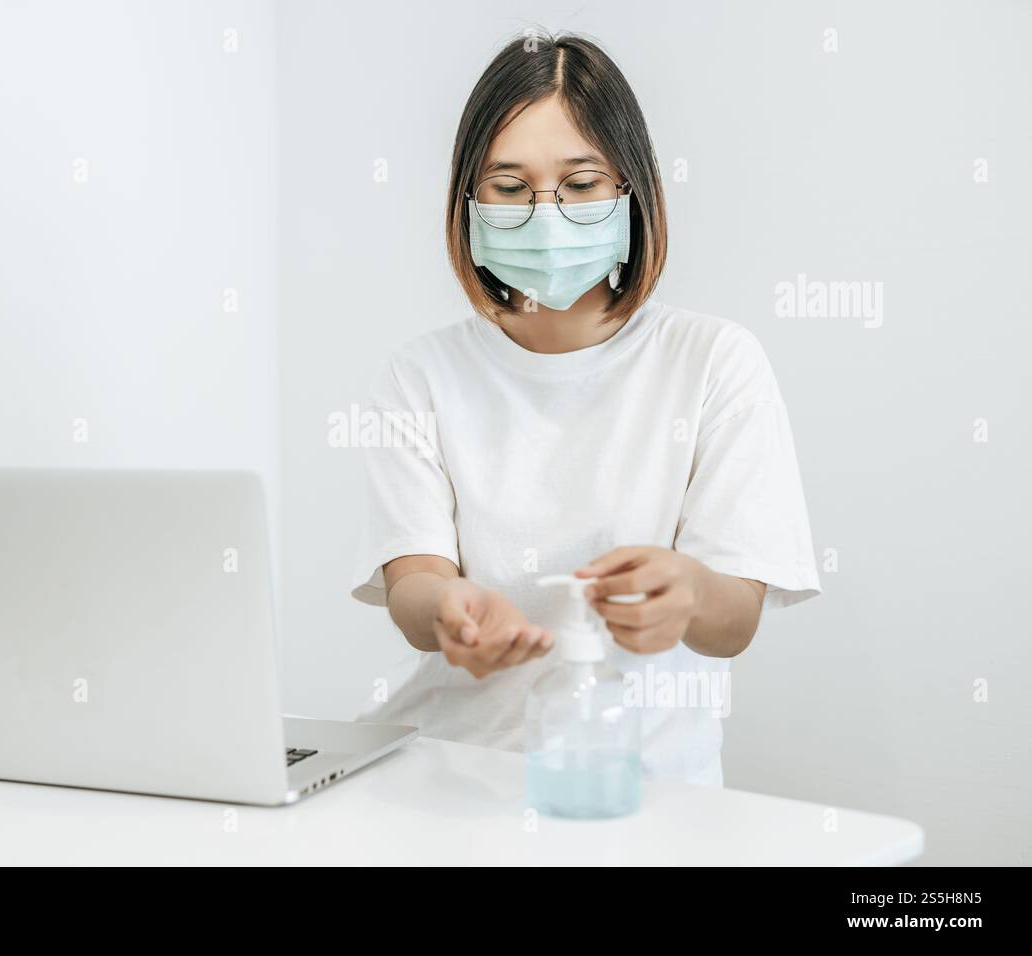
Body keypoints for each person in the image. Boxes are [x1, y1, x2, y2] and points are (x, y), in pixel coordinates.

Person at [349, 33, 820, 786]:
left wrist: (689, 591)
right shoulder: (420, 376)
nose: (545, 214)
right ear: (467, 202)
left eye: (580, 183)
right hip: (445, 779)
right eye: (508, 187)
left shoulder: (714, 363)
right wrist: (450, 608)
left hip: (647, 795)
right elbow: (413, 589)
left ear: (633, 191)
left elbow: (733, 620)